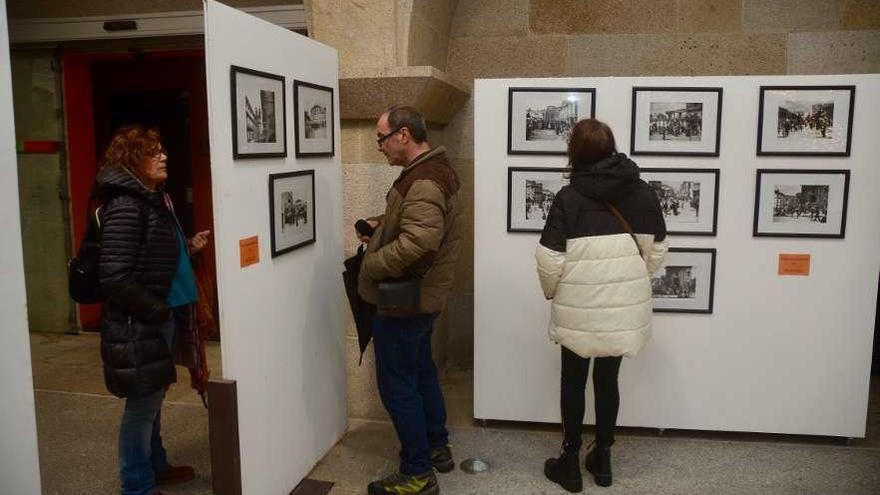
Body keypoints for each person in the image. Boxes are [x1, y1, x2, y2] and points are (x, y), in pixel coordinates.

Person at [535, 119, 668, 493]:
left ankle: (570, 463)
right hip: (624, 308)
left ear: (574, 153)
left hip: (579, 305)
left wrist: (551, 292)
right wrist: (633, 279)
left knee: (573, 381)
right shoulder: (643, 193)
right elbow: (657, 253)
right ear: (612, 148)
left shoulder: (569, 198)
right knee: (608, 381)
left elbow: (549, 259)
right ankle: (603, 459)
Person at [95, 125, 211, 495]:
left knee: (154, 398)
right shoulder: (126, 205)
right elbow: (114, 276)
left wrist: (189, 247)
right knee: (141, 407)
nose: (164, 157)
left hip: (163, 312)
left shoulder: (154, 199)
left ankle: (156, 466)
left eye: (162, 149)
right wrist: (157, 311)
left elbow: (152, 257)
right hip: (142, 320)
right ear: (132, 161)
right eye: (153, 152)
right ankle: (137, 486)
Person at [356, 105, 462, 495]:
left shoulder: (424, 180)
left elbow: (419, 244)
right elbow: (418, 226)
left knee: (398, 385)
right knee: (420, 373)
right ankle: (437, 447)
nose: (379, 146)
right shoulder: (433, 170)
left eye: (381, 138)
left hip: (406, 302)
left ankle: (417, 473)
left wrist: (372, 261)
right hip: (422, 299)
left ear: (403, 135)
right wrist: (380, 227)